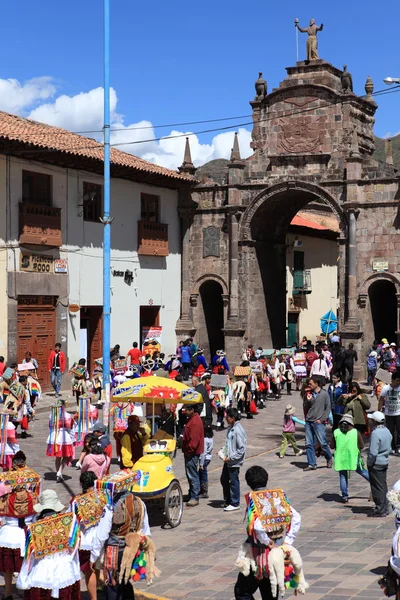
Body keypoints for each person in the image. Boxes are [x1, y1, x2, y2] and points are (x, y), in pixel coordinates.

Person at [234, 465, 302, 600]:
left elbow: (258, 527)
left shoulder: (254, 500)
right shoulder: (277, 497)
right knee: (270, 594)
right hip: (277, 554)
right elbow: (296, 517)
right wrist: (287, 541)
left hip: (258, 555)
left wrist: (267, 541)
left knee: (242, 592)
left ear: (248, 482)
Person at [94, 470, 155, 600]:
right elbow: (146, 529)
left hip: (114, 551)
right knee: (125, 581)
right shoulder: (140, 502)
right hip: (132, 550)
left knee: (112, 583)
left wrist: (94, 554)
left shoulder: (110, 507)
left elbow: (102, 535)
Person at [17, 489, 81, 599]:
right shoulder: (70, 524)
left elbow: (28, 558)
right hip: (64, 574)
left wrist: (23, 579)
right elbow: (75, 547)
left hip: (42, 575)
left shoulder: (32, 529)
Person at [0, 451, 40, 600]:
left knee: (7, 568)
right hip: (27, 535)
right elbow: (37, 515)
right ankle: (26, 592)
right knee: (28, 566)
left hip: (8, 535)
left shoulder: (6, 499)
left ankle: (8, 593)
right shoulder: (34, 497)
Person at [71, 471, 111, 600]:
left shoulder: (76, 501)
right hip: (101, 539)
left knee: (90, 571)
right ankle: (98, 588)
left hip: (86, 542)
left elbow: (72, 521)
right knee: (97, 566)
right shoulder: (103, 496)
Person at [330, 414, 369, 503]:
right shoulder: (355, 432)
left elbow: (332, 446)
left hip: (341, 458)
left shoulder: (336, 432)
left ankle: (345, 496)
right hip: (353, 458)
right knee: (362, 471)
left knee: (343, 476)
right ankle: (375, 483)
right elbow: (362, 446)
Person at [303, 376, 333, 471]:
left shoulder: (324, 394)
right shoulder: (309, 394)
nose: (309, 385)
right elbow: (306, 407)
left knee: (322, 443)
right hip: (309, 421)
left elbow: (328, 408)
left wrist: (322, 419)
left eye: (311, 383)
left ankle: (328, 457)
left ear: (316, 384)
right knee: (308, 443)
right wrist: (308, 400)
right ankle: (312, 463)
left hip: (319, 422)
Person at [221, 407, 247, 512]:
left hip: (233, 461)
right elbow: (229, 444)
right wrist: (223, 451)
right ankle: (228, 499)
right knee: (224, 479)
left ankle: (235, 502)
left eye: (227, 417)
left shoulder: (237, 430)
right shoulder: (230, 428)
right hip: (228, 459)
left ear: (233, 417)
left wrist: (231, 457)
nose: (226, 418)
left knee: (233, 481)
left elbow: (241, 449)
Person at [367, 411, 392, 517]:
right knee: (382, 485)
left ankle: (380, 509)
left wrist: (369, 462)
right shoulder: (387, 431)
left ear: (374, 421)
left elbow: (373, 452)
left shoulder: (375, 433)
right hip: (384, 461)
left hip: (376, 463)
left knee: (377, 487)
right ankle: (385, 506)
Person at [46, 398, 75, 482]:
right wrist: (72, 438)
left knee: (58, 457)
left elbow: (50, 427)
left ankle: (58, 472)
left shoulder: (52, 416)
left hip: (54, 436)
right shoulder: (67, 416)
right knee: (66, 455)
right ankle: (59, 471)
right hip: (64, 436)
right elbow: (70, 428)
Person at [181, 404, 204, 507]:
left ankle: (194, 497)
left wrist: (189, 450)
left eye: (186, 409)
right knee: (189, 474)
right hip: (189, 452)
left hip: (192, 453)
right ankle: (191, 494)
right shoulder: (191, 419)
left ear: (192, 410)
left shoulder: (194, 422)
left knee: (192, 475)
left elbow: (194, 441)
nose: (184, 411)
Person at [378, 370, 400, 454]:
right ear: (392, 380)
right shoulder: (386, 388)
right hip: (388, 413)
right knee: (390, 431)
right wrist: (379, 411)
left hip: (398, 413)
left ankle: (398, 446)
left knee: (399, 430)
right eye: (397, 380)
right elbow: (381, 400)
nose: (398, 382)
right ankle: (392, 447)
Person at [199, 424, 213, 499]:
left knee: (203, 475)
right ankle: (203, 490)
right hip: (208, 458)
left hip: (204, 459)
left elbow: (203, 453)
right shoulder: (210, 439)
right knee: (203, 474)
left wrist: (201, 464)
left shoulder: (204, 440)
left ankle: (204, 491)